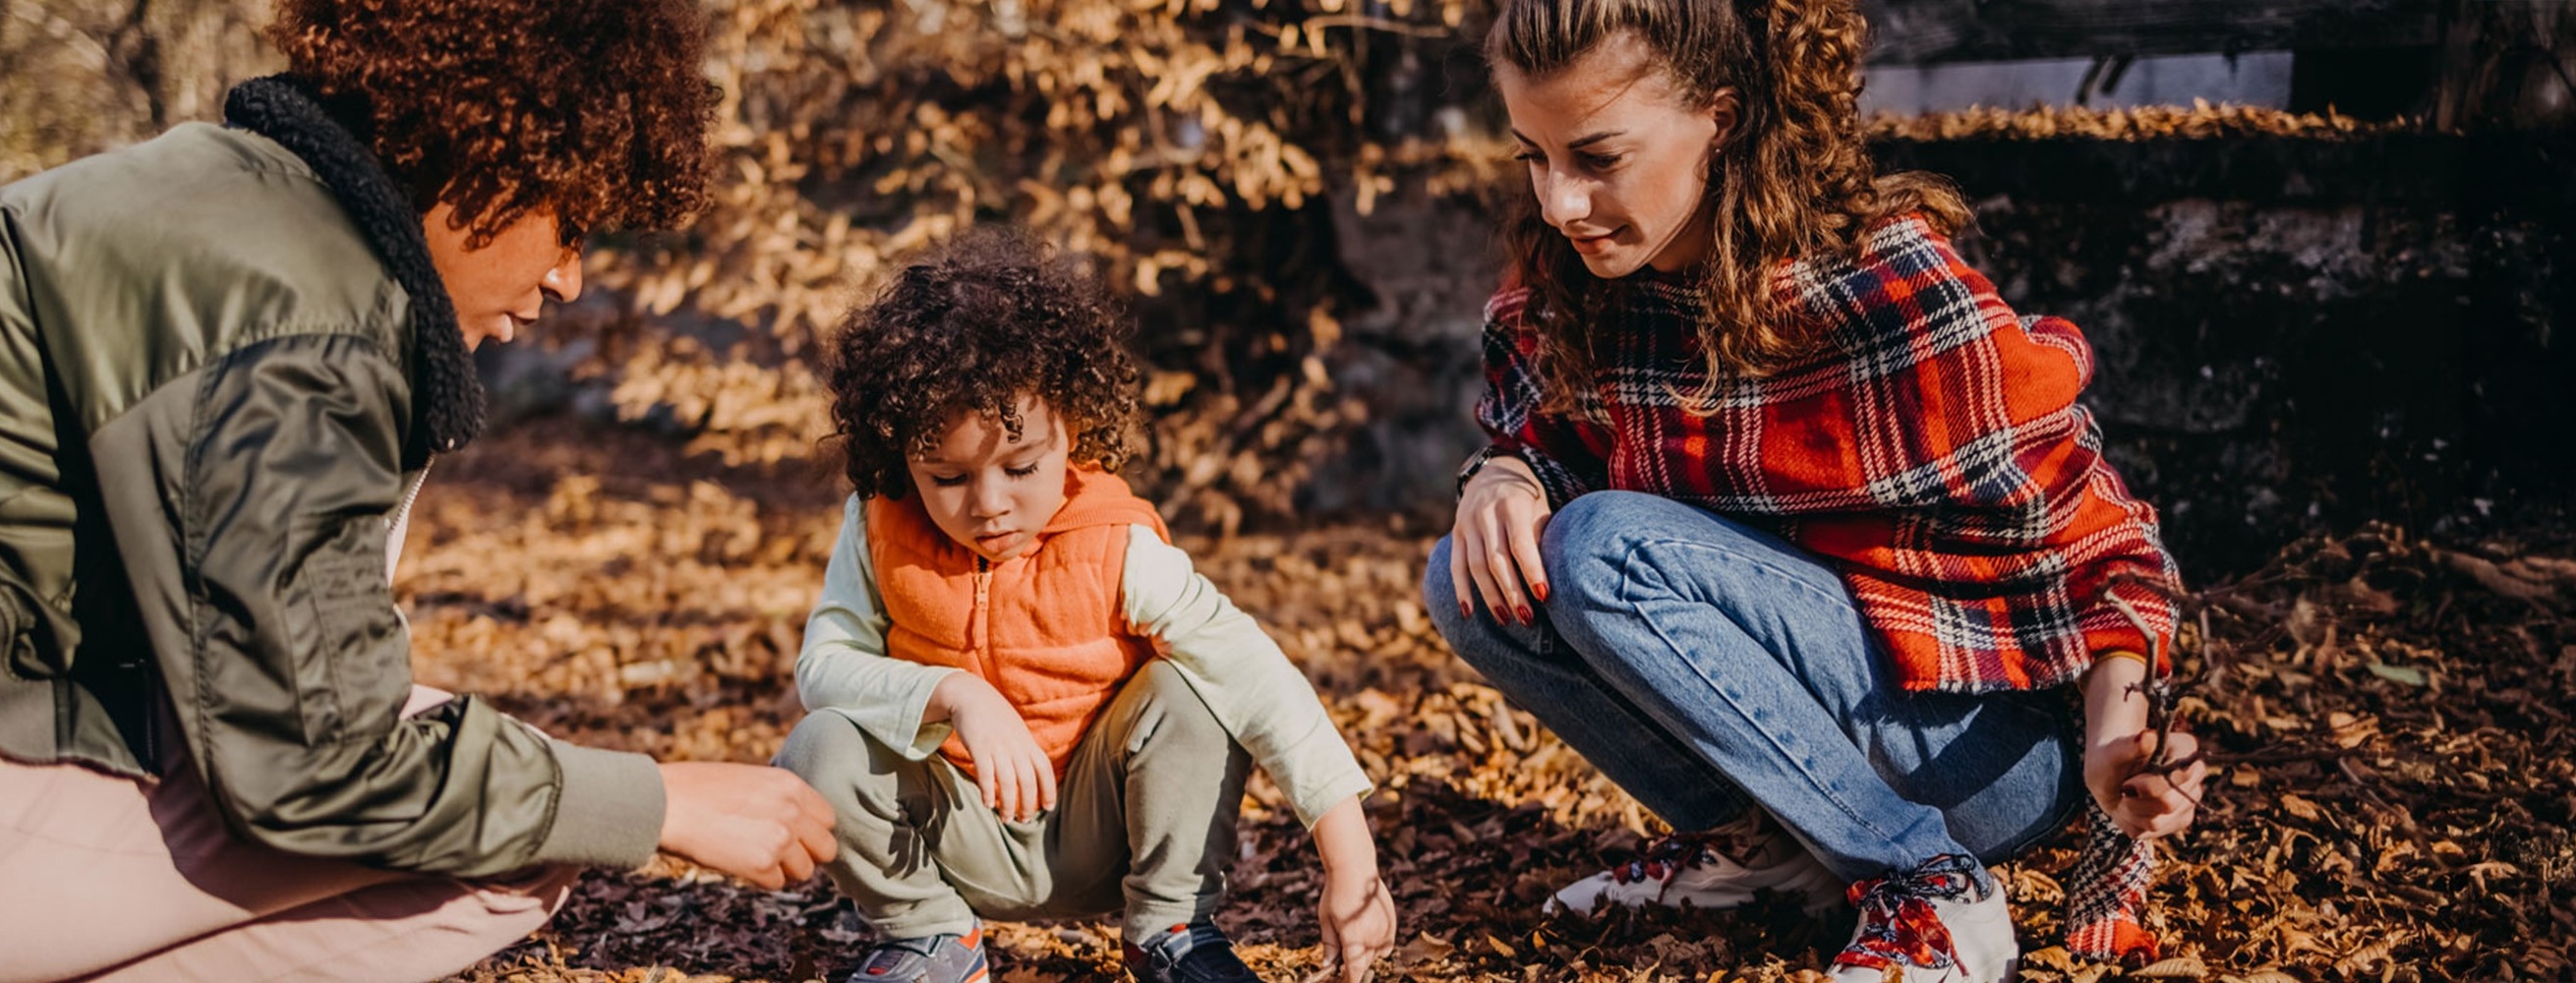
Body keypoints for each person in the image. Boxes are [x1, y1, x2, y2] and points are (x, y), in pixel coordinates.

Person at [0, 1, 836, 979]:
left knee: (486, 769)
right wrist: (657, 800)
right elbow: (318, 765)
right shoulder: (303, 324)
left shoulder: (223, 195)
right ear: (486, 153)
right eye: (570, 219)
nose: (569, 275)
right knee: (509, 850)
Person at [1421, 1, 2212, 980]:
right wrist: (1503, 472)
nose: (1559, 204)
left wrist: (2119, 735)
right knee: (1472, 576)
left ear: (1719, 119)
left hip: (1992, 753)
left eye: (1598, 157)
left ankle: (1931, 887)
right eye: (1533, 158)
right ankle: (1768, 850)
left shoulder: (1881, 291)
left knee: (1602, 551)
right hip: (1826, 730)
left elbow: (2110, 548)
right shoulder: (1588, 298)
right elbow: (1557, 448)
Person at [773, 229, 1399, 983]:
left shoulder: (1115, 541)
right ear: (898, 450)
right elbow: (825, 667)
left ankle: (1169, 928)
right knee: (820, 745)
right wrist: (955, 695)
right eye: (948, 478)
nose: (989, 505)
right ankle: (930, 936)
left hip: (1107, 832)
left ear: (1071, 426)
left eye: (1021, 467)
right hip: (951, 836)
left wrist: (1349, 854)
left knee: (1195, 686)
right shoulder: (879, 526)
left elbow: (1253, 674)